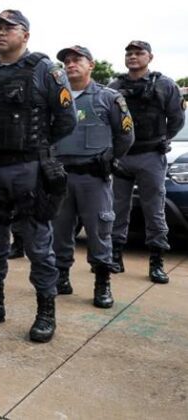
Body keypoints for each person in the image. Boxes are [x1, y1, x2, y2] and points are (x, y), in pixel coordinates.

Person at [0, 9, 77, 344]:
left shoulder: (45, 70)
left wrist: (37, 146)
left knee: (38, 244)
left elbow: (67, 119)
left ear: (25, 35)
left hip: (29, 169)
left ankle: (45, 311)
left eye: (8, 28)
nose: (0, 33)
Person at [52, 45, 134, 308]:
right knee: (60, 230)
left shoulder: (108, 97)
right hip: (62, 177)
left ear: (91, 65)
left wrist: (110, 158)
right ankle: (61, 277)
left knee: (99, 231)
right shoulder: (57, 97)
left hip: (93, 178)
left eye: (77, 60)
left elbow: (126, 134)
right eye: (67, 60)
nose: (70, 64)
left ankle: (102, 283)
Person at [109, 40, 185, 283]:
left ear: (149, 57)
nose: (133, 57)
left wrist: (163, 139)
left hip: (151, 156)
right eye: (129, 53)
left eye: (138, 53)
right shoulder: (114, 86)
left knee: (155, 210)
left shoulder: (164, 85)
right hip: (122, 157)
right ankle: (115, 256)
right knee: (116, 210)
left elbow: (176, 118)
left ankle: (156, 262)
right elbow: (107, 119)